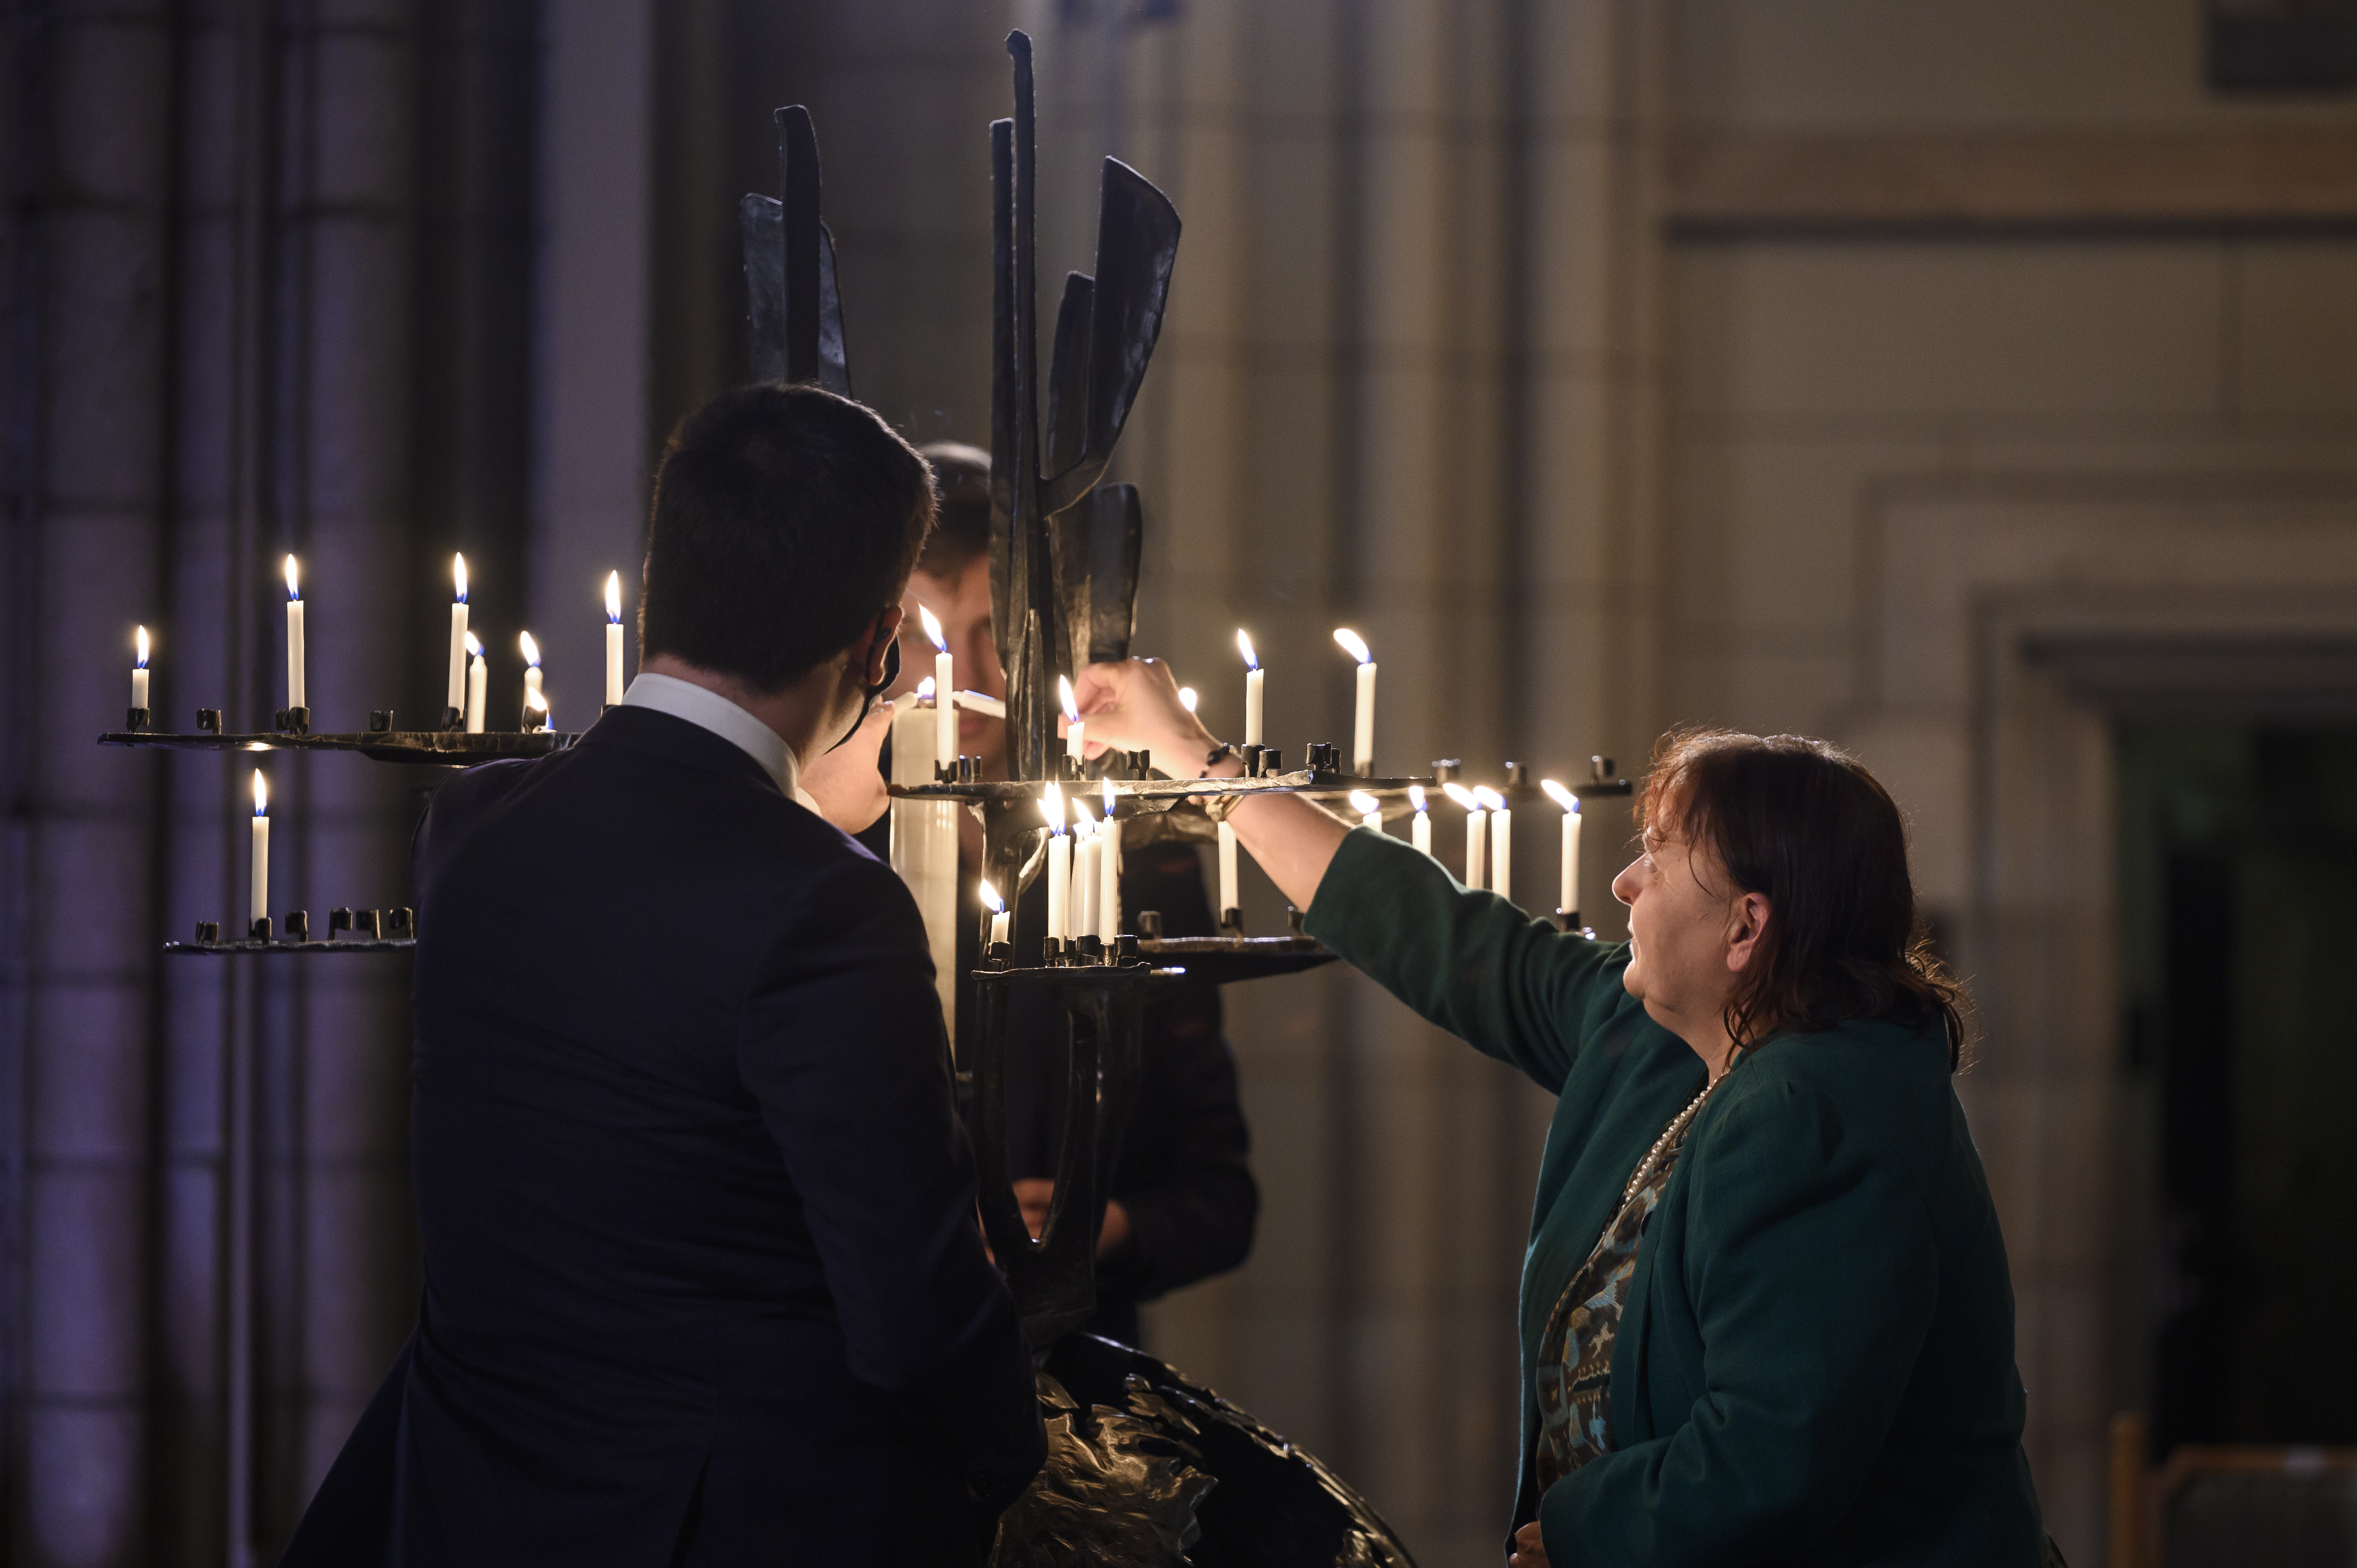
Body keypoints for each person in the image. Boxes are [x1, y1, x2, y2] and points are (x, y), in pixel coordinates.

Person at [286, 385, 1045, 1567]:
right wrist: (1012, 1466)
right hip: (726, 1527)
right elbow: (913, 1313)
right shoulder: (826, 904)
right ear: (879, 641)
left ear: (659, 585)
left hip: (464, 1498)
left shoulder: (475, 828)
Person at [1069, 657, 2052, 1568]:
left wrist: (1582, 1531)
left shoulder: (1817, 1113)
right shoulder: (1665, 1036)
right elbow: (1442, 936)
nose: (1625, 882)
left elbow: (1767, 1461)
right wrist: (1197, 760)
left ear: (1747, 927)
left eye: (1660, 858)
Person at [847, 443, 1257, 1347]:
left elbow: (1219, 1194)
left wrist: (1102, 1228)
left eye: (995, 631)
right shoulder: (824, 852)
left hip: (1069, 1374)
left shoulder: (1136, 863)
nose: (960, 675)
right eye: (923, 633)